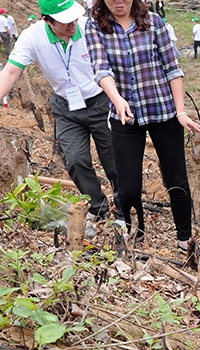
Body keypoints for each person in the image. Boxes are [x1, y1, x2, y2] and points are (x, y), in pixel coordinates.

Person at [85, 0, 200, 247]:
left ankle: (185, 238)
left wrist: (180, 111)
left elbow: (172, 69)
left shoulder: (154, 22)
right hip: (125, 115)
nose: (119, 2)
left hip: (162, 110)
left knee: (176, 179)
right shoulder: (95, 26)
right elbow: (101, 68)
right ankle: (135, 235)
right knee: (128, 185)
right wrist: (117, 100)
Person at [0, 0, 120, 222]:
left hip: (100, 100)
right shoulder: (32, 37)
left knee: (113, 158)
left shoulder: (89, 27)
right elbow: (10, 73)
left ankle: (123, 210)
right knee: (75, 159)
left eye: (73, 17)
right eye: (64, 21)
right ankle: (98, 207)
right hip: (67, 107)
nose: (71, 24)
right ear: (47, 20)